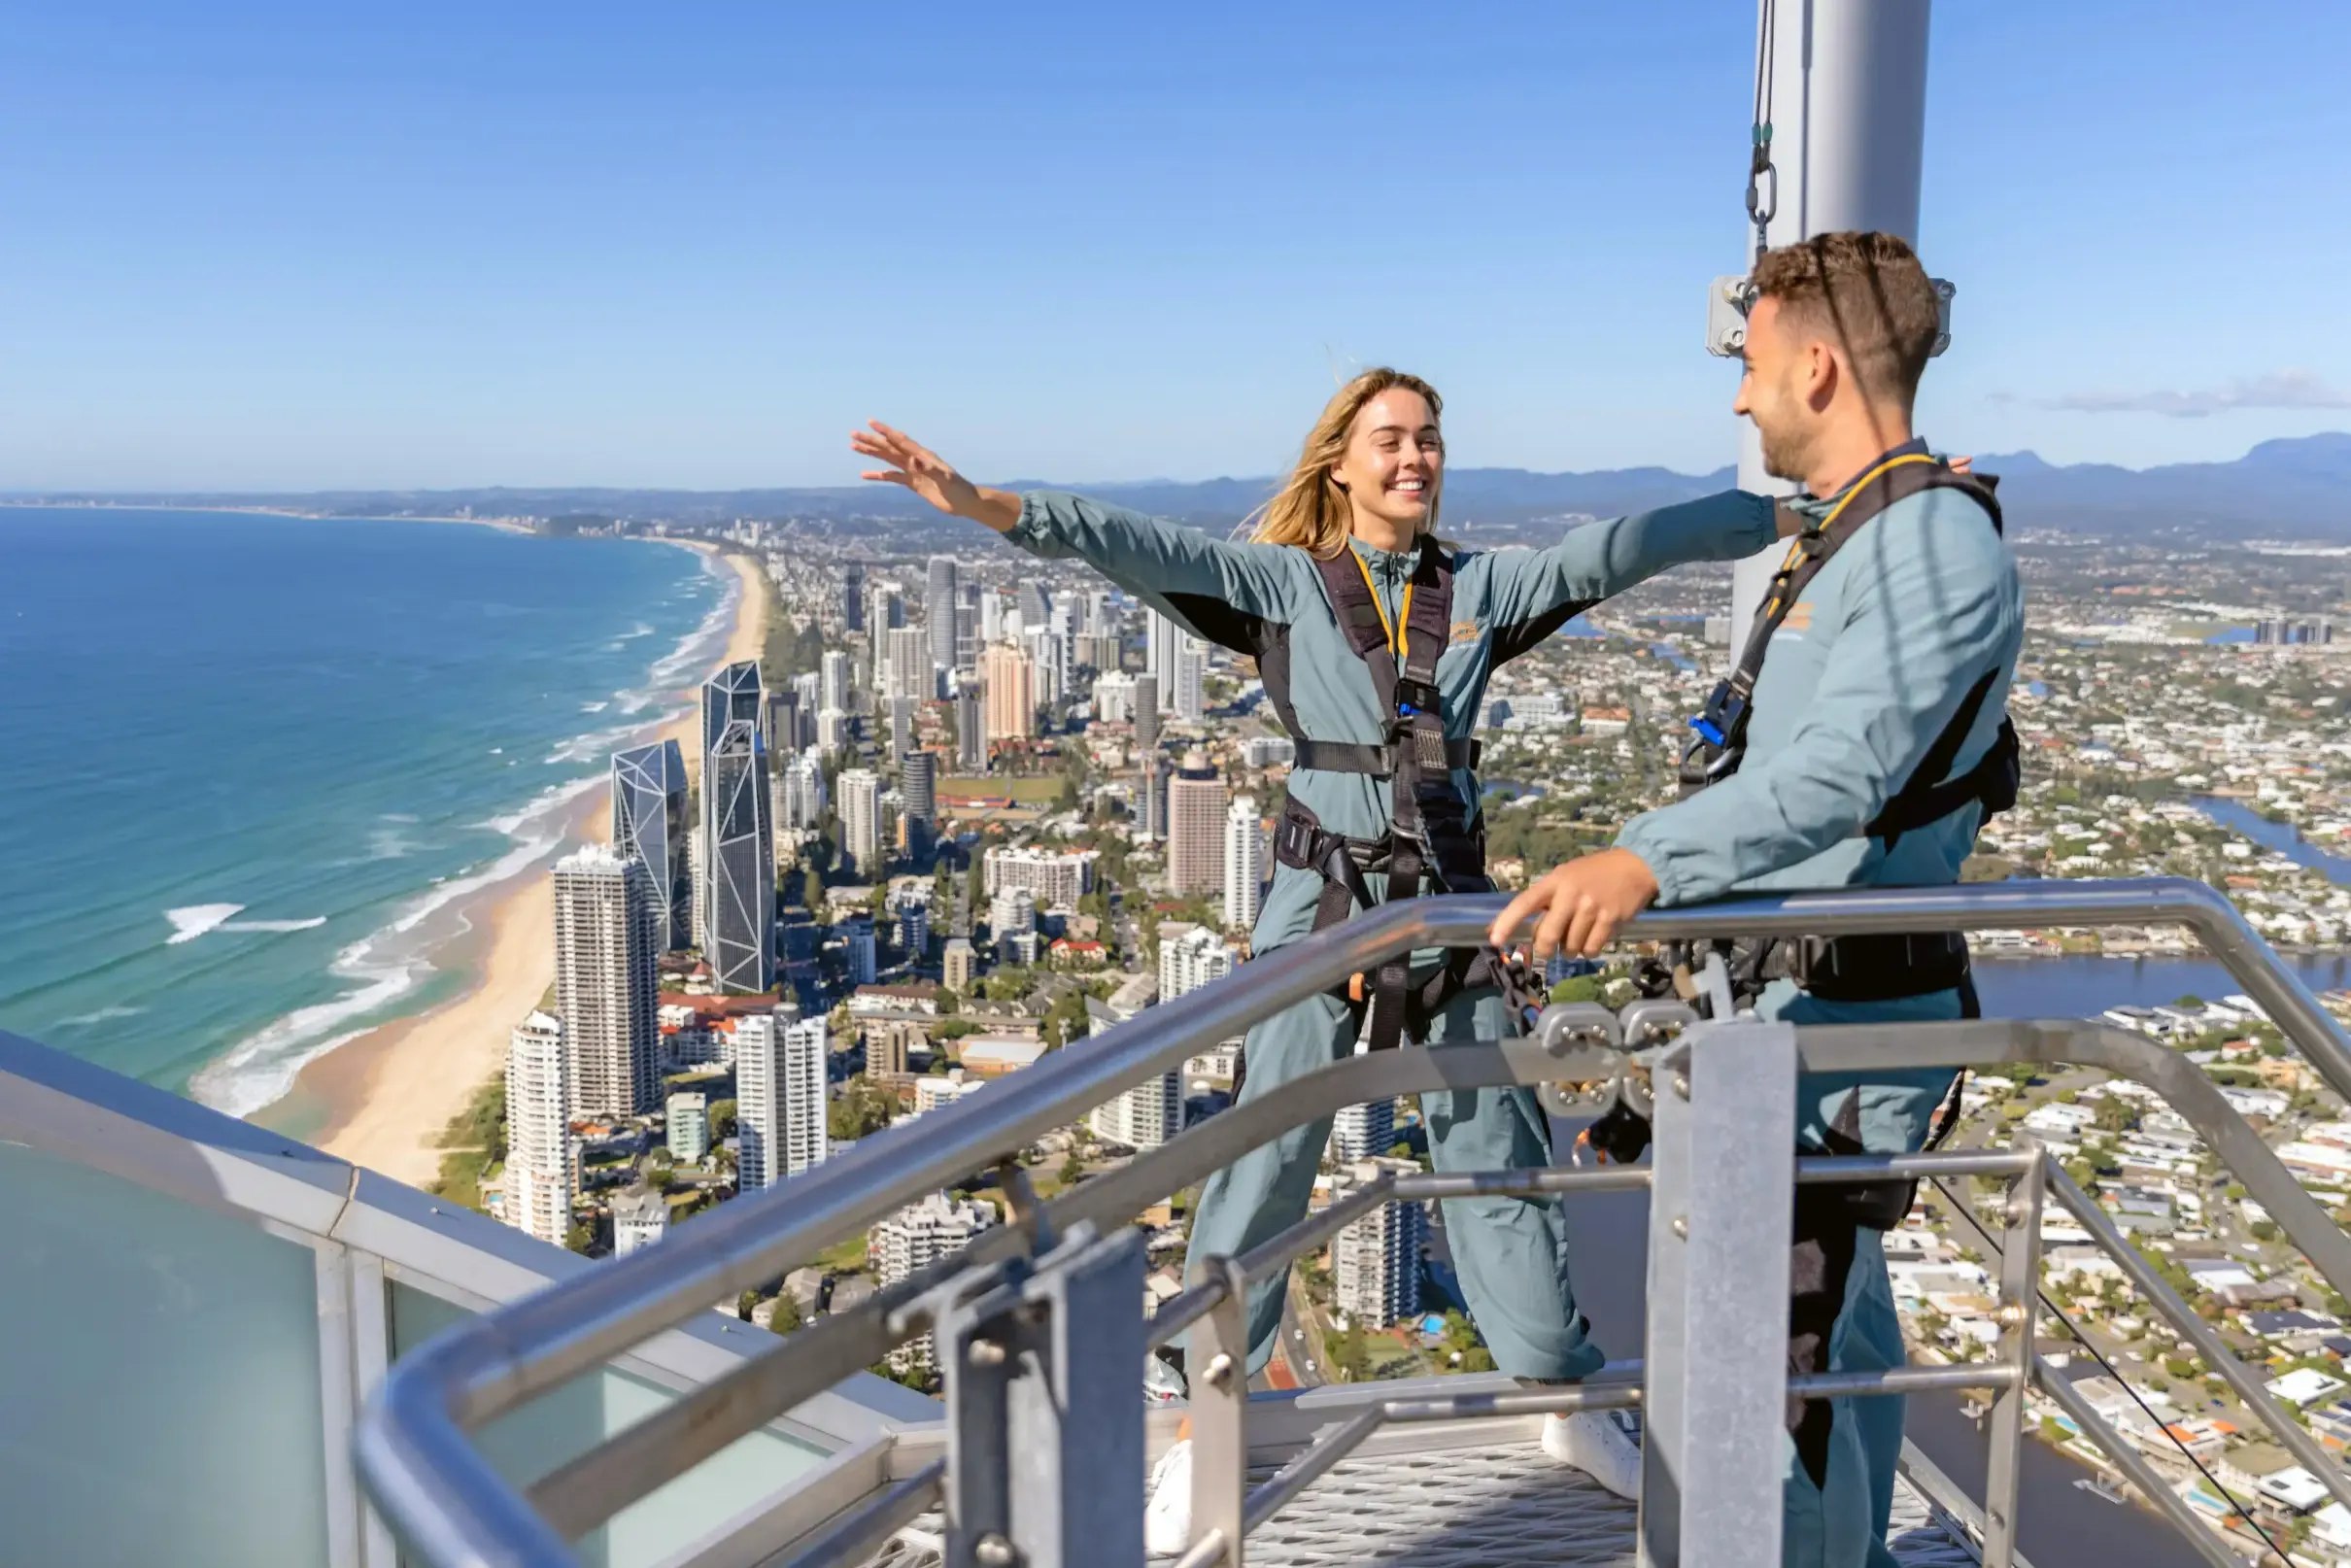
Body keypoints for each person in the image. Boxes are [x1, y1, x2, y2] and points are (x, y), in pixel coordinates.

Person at [855, 372, 1787, 1550]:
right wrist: (981, 502)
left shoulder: (1479, 588)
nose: (1414, 457)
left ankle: (1558, 1390)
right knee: (1268, 1149)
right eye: (1388, 440)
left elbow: (1614, 552)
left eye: (1429, 439)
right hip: (1322, 905)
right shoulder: (1283, 584)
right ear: (1337, 463)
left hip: (1447, 904)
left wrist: (1802, 517)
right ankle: (1207, 1425)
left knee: (1493, 1153)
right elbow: (1131, 544)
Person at [1490, 231, 2024, 1568]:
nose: (1740, 395)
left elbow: (1843, 775)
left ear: (1821, 364)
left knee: (1773, 1379)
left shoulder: (1929, 548)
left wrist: (1644, 856)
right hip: (1800, 1014)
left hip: (1846, 1022)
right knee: (1838, 1345)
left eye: (1752, 364)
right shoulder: (1862, 541)